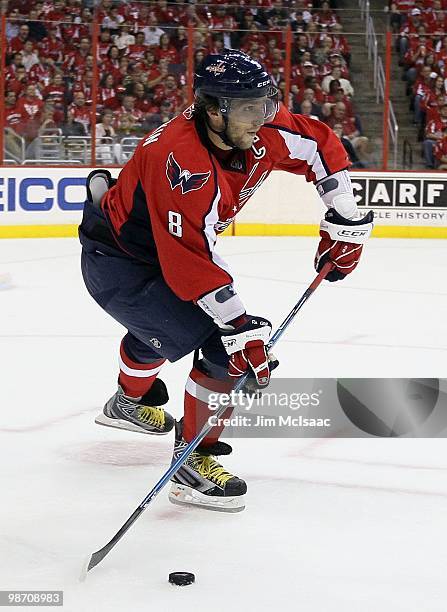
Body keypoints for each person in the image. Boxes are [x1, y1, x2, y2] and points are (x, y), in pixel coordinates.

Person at [79, 49, 373, 513]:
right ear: (213, 109)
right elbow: (190, 265)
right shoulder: (181, 162)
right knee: (224, 349)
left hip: (155, 249)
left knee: (163, 329)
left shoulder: (254, 128)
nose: (263, 117)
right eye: (250, 108)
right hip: (122, 264)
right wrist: (240, 332)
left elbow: (318, 143)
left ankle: (127, 404)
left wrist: (346, 217)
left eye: (266, 103)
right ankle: (194, 463)